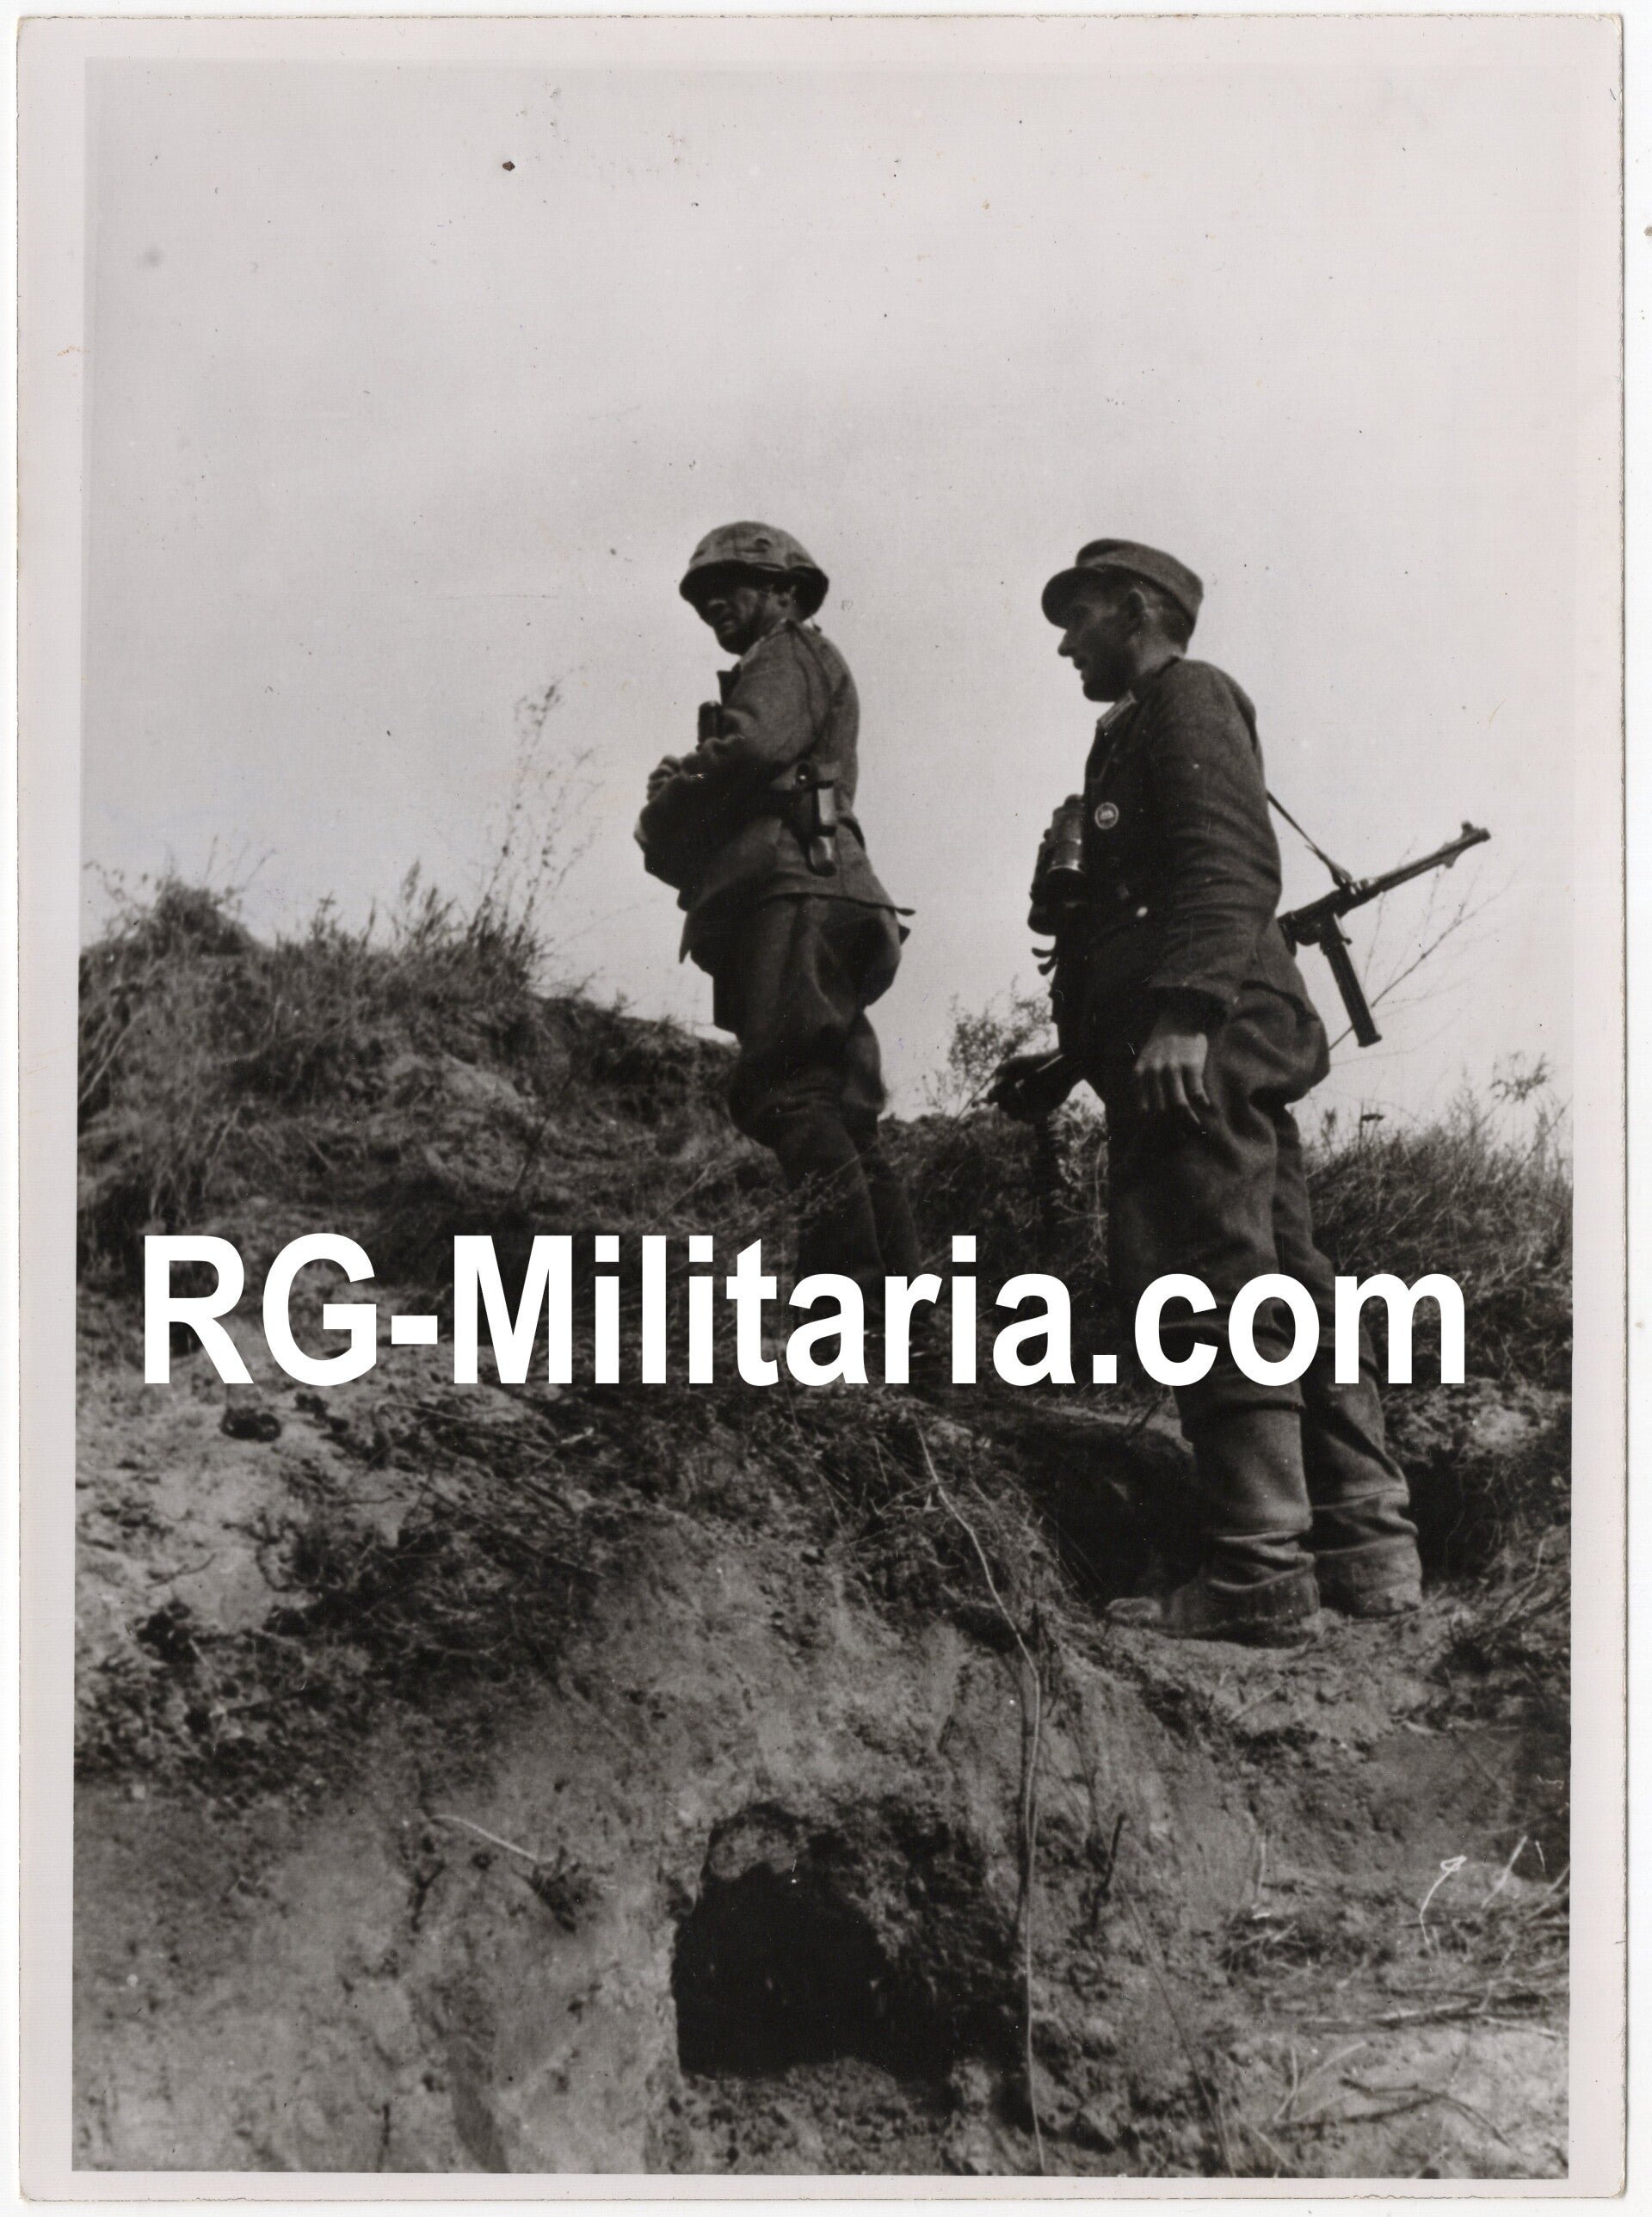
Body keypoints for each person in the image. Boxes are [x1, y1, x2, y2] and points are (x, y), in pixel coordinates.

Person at [989, 539, 1423, 1644]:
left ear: (1136, 610)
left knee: (1211, 1275)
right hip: (1199, 1037)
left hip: (1201, 1040)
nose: (1063, 638)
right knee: (1286, 1280)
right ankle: (1369, 1550)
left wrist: (1183, 1013)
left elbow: (1230, 867)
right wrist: (1082, 1048)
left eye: (1081, 615)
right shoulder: (1138, 726)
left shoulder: (1184, 698)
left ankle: (1257, 1571)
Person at [636, 521, 920, 1306]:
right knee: (842, 1114)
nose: (714, 603)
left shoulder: (787, 653)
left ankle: (841, 1311)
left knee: (789, 1091)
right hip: (829, 896)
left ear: (786, 593)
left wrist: (671, 798)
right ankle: (909, 1331)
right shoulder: (797, 661)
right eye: (703, 593)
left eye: (733, 584)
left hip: (796, 894)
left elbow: (753, 750)